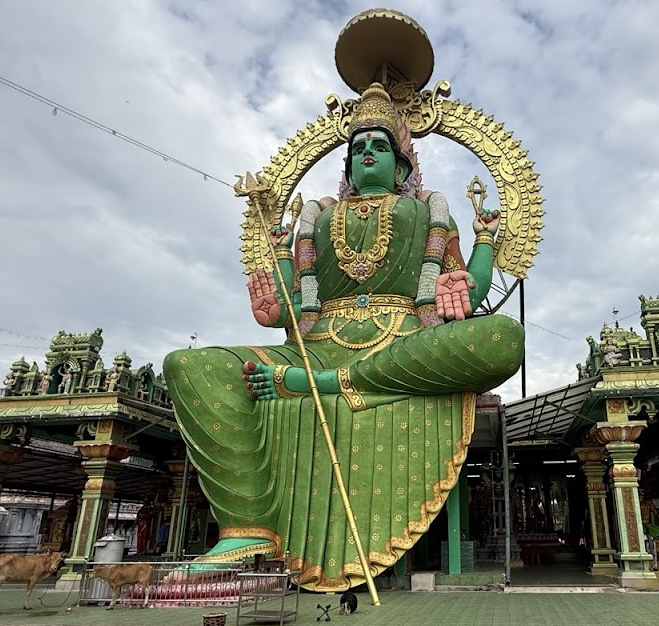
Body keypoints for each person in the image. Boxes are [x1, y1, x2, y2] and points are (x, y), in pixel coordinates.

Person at [163, 83, 525, 591]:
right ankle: (248, 526)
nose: (368, 154)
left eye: (379, 146)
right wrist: (277, 303)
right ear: (348, 165)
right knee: (191, 366)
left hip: (404, 340)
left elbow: (471, 288)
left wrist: (481, 247)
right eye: (358, 149)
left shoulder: (428, 212)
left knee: (504, 337)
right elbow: (297, 301)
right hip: (313, 342)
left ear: (401, 168)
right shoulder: (318, 216)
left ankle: (326, 382)